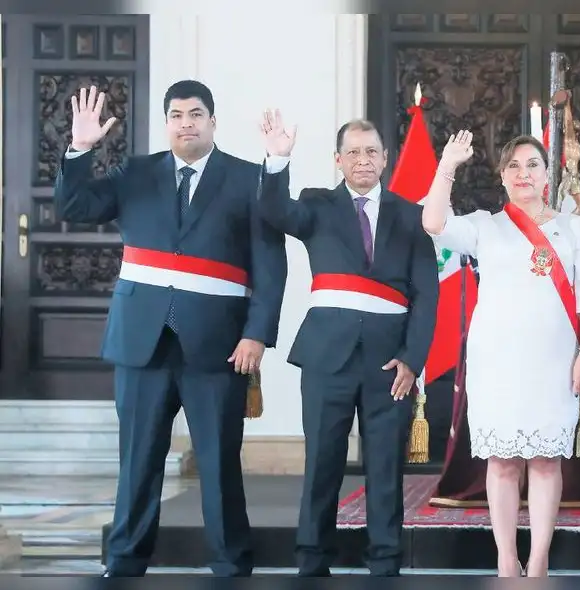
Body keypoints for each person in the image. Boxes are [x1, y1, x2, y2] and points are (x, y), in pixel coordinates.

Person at [53, 81, 288, 576]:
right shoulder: (136, 173)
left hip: (220, 347)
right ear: (166, 123)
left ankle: (230, 564)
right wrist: (80, 149)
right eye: (177, 114)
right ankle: (124, 561)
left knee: (220, 466)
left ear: (213, 121)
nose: (187, 122)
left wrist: (257, 333)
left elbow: (270, 265)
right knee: (138, 463)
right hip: (143, 343)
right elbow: (75, 207)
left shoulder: (249, 179)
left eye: (196, 113)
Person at [255, 113, 439, 577]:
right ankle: (312, 561)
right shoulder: (316, 205)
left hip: (389, 364)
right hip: (326, 360)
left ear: (385, 158)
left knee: (384, 470)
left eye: (371, 151)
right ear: (338, 160)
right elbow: (275, 213)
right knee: (322, 465)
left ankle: (385, 562)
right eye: (353, 152)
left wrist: (412, 360)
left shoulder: (411, 215)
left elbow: (427, 294)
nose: (362, 160)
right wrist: (277, 159)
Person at [421, 132, 580, 577]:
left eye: (533, 165)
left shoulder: (572, 224)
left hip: (553, 363)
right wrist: (447, 165)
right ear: (503, 177)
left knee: (545, 463)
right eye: (514, 166)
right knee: (502, 464)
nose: (524, 173)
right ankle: (506, 557)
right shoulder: (486, 225)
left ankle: (539, 558)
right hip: (497, 363)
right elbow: (434, 222)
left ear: (547, 175)